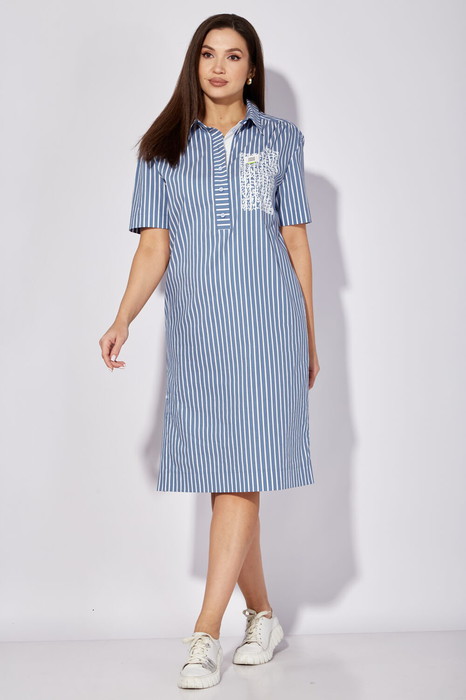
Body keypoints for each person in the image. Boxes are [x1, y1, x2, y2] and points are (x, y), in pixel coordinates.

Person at [99, 12, 320, 690]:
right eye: (208, 54)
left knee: (238, 476)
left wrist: (310, 335)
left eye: (233, 56)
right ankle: (263, 615)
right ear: (194, 65)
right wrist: (123, 317)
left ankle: (204, 634)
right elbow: (154, 247)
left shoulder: (281, 139)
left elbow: (294, 239)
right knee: (229, 471)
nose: (219, 67)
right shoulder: (161, 148)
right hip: (199, 332)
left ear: (252, 70)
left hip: (270, 328)